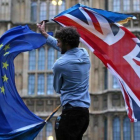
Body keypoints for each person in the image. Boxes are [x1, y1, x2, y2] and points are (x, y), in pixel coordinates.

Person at [37, 21, 91, 140]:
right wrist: (45, 35)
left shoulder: (59, 64)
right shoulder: (85, 54)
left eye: (59, 42)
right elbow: (68, 50)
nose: (58, 44)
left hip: (70, 114)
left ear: (66, 44)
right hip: (84, 115)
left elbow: (57, 88)